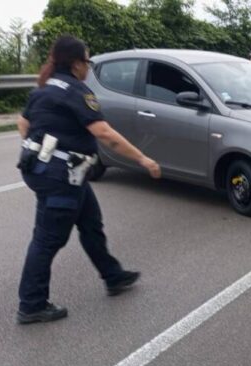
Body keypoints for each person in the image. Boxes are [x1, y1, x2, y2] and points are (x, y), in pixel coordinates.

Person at [15, 36, 161, 324]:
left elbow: (23, 125)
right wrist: (143, 159)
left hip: (58, 173)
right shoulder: (77, 92)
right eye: (88, 61)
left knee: (91, 224)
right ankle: (31, 304)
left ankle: (113, 276)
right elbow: (105, 134)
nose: (88, 67)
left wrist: (46, 149)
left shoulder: (43, 90)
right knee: (47, 241)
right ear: (76, 63)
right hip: (61, 177)